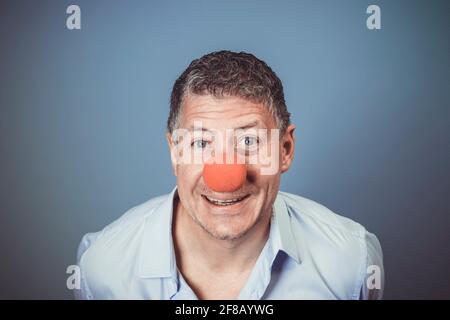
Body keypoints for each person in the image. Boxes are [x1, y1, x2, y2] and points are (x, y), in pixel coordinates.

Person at [75, 50, 384, 300]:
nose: (225, 176)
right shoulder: (104, 268)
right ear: (175, 152)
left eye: (249, 142)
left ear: (285, 149)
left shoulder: (351, 261)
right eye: (200, 143)